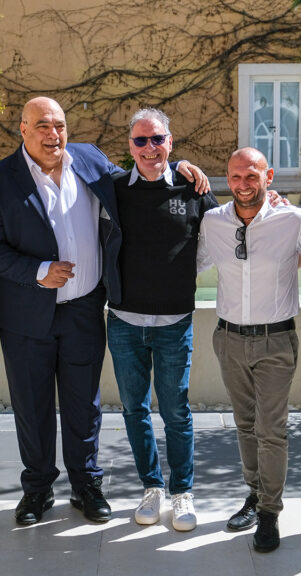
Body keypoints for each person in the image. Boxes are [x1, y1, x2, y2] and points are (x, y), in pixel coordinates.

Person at [0, 97, 207, 525]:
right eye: (42, 125)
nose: (53, 134)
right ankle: (37, 489)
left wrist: (179, 166)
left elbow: (144, 172)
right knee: (32, 404)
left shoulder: (89, 160)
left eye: (60, 125)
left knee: (84, 404)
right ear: (23, 129)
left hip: (83, 310)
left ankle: (86, 485)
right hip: (25, 315)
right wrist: (38, 271)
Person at [197, 147, 301, 553]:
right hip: (228, 339)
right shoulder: (213, 222)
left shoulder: (293, 219)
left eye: (252, 176)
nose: (243, 184)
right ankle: (254, 495)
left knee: (271, 429)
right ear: (227, 178)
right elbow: (189, 263)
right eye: (235, 177)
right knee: (245, 425)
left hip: (276, 340)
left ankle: (269, 512)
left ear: (268, 177)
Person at [107, 108, 218, 532]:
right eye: (141, 140)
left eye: (157, 139)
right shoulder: (114, 189)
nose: (149, 148)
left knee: (176, 411)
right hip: (124, 321)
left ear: (170, 142)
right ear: (130, 146)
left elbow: (226, 229)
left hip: (174, 322)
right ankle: (152, 486)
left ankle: (182, 492)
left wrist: (272, 203)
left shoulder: (192, 188)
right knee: (134, 409)